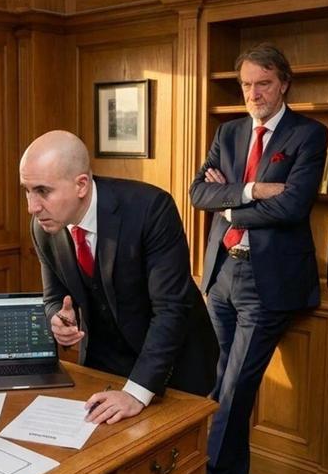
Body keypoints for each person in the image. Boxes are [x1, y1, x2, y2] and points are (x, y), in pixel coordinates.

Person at [190, 43, 328, 474]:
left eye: (263, 83)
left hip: (268, 284)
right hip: (221, 274)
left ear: (284, 83)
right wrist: (250, 191)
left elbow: (292, 207)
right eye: (246, 85)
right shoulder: (228, 132)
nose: (254, 93)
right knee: (217, 383)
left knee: (234, 389)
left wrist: (227, 204)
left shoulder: (309, 134)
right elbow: (197, 193)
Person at [19, 130, 218, 426]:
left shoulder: (151, 208)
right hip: (103, 365)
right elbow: (53, 298)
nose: (32, 207)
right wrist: (58, 320)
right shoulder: (43, 227)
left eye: (43, 191)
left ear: (81, 185)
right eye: (26, 190)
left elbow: (171, 309)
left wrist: (137, 392)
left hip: (172, 366)